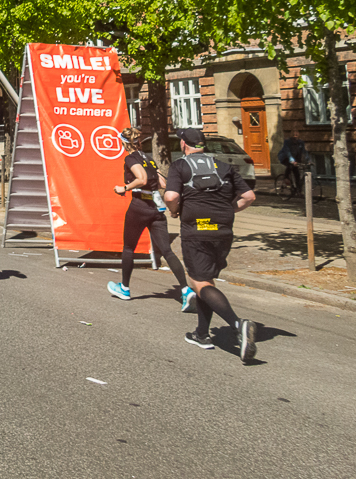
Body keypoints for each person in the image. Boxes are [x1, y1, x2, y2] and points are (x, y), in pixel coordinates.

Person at [164, 127, 259, 362]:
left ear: (184, 144)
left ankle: (238, 324)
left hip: (197, 229)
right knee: (206, 280)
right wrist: (228, 210)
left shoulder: (180, 166)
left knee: (197, 281)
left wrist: (175, 212)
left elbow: (171, 197)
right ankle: (202, 334)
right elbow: (249, 197)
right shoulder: (224, 166)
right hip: (222, 230)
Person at [106, 128, 194, 311]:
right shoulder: (147, 158)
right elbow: (163, 183)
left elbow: (142, 178)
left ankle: (124, 288)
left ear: (123, 143)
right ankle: (186, 290)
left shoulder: (131, 159)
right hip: (156, 208)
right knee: (167, 251)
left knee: (129, 247)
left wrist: (125, 187)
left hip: (139, 206)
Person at [278, 133, 311, 200]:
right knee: (290, 167)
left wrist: (308, 160)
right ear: (291, 135)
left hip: (296, 159)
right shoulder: (287, 142)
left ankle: (298, 191)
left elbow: (304, 151)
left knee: (297, 174)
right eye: (293, 135)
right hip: (285, 158)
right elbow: (287, 152)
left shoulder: (300, 142)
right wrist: (292, 161)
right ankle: (286, 178)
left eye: (296, 135)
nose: (295, 136)